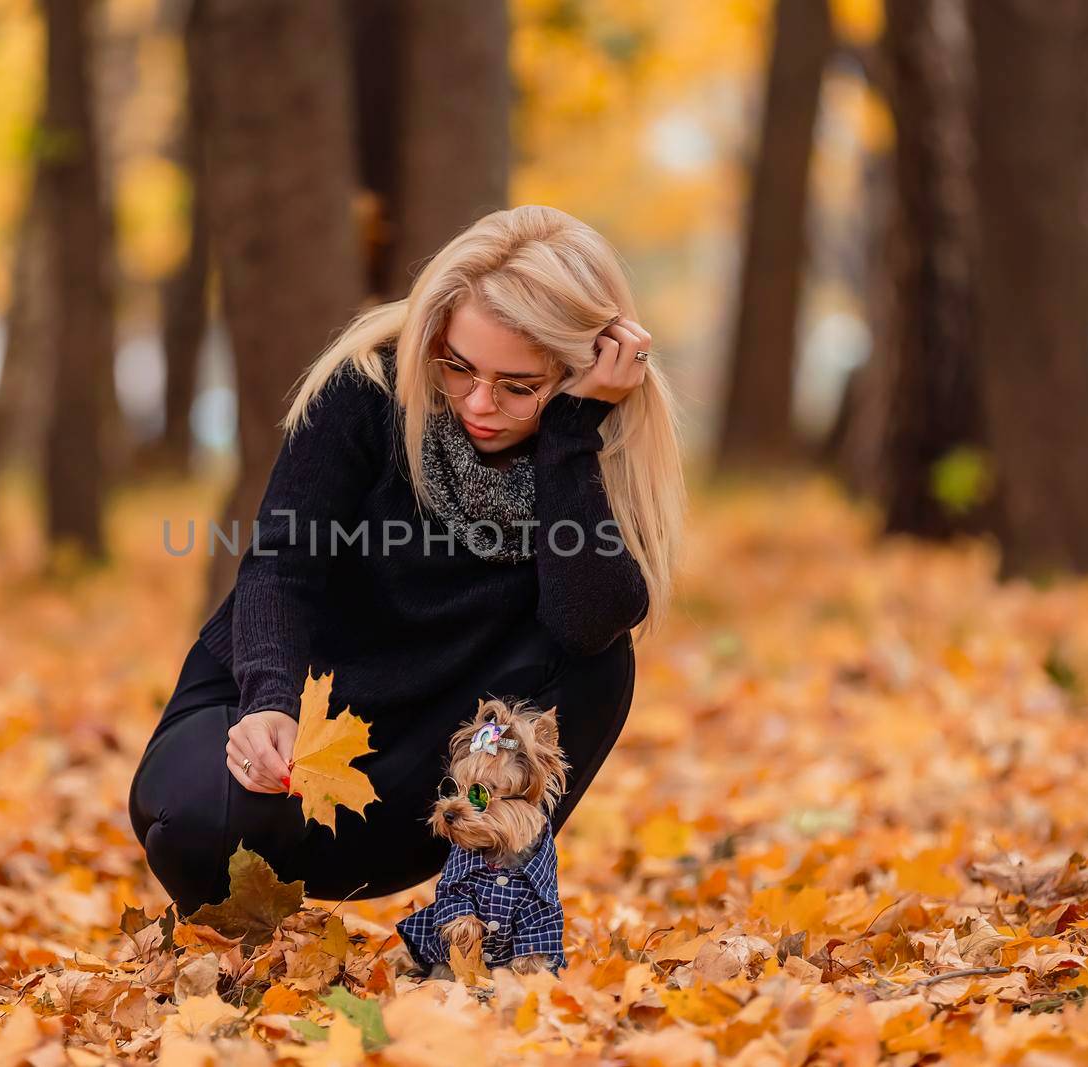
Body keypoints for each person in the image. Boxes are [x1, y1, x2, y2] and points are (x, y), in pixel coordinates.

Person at [128, 204, 687, 913]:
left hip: (429, 777)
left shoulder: (597, 443)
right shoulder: (367, 389)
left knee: (603, 654)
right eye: (458, 367)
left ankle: (484, 909)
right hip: (282, 720)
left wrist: (570, 434)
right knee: (195, 827)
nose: (479, 403)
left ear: (582, 371)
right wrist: (270, 700)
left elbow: (585, 626)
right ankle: (240, 943)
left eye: (519, 386)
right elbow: (280, 563)